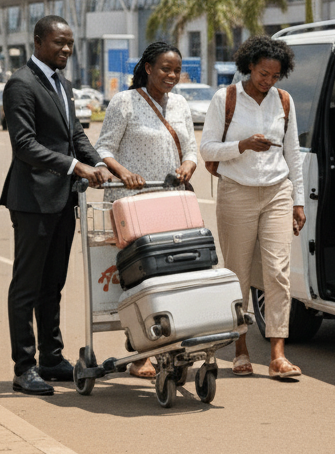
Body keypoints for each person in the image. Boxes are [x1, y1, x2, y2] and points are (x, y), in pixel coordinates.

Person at [0, 16, 111, 395]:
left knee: (53, 286)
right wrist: (73, 165)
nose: (65, 49)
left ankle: (51, 358)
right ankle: (24, 367)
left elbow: (74, 134)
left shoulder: (63, 84)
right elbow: (25, 144)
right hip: (32, 200)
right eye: (58, 43)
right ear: (38, 41)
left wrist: (96, 163)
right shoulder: (21, 83)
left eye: (70, 44)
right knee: (26, 287)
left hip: (64, 201)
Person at [201, 36, 306, 380]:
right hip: (237, 192)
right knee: (238, 273)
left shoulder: (285, 102)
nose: (269, 81)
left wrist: (298, 201)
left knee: (277, 271)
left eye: (275, 76)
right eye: (263, 73)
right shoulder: (226, 98)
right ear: (249, 66)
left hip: (277, 191)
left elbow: (293, 155)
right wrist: (242, 145)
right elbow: (209, 149)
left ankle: (277, 355)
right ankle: (240, 348)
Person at [96, 40, 198, 378]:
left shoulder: (181, 104)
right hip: (133, 205)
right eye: (165, 68)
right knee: (139, 277)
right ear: (149, 68)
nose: (171, 75)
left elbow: (192, 149)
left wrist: (187, 167)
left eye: (176, 70)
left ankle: (169, 346)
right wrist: (124, 173)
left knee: (172, 274)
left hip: (170, 202)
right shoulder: (125, 102)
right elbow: (104, 149)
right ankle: (140, 352)